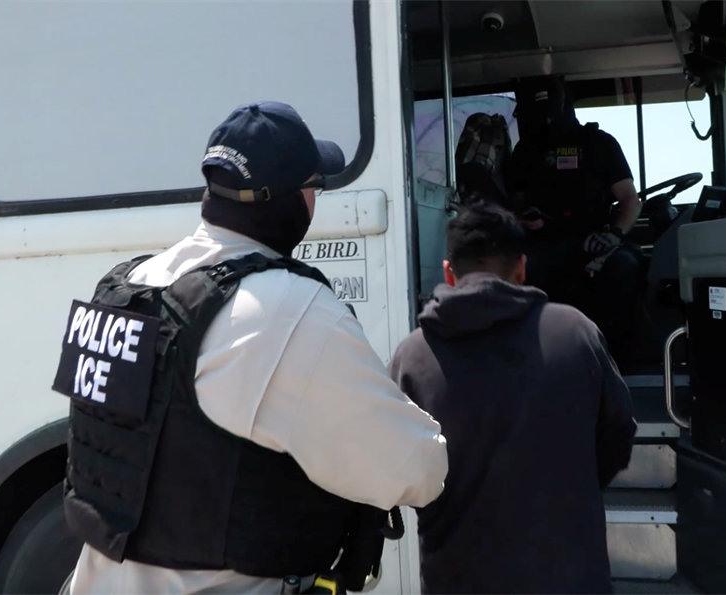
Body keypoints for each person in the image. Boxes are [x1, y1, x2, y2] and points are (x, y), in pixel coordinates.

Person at [52, 101, 448, 595]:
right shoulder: (291, 311)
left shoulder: (126, 287)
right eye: (314, 187)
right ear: (291, 200)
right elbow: (414, 469)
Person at [388, 201, 638, 595]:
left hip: (456, 577)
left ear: (449, 272)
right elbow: (617, 434)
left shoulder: (413, 356)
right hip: (571, 576)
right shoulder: (576, 333)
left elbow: (397, 469)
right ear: (521, 268)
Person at [505, 76, 645, 362]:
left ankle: (611, 360)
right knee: (519, 270)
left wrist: (614, 235)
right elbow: (514, 207)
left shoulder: (600, 143)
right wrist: (522, 218)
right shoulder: (525, 150)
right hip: (542, 243)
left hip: (596, 240)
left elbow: (630, 201)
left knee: (624, 265)